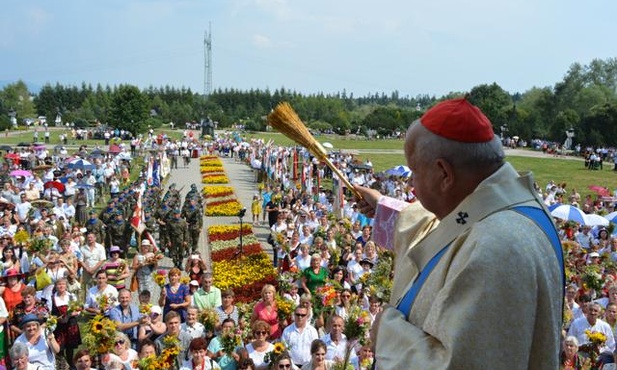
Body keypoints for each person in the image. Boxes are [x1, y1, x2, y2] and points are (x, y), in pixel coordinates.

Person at [353, 98, 563, 368]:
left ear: (444, 173)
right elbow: (446, 229)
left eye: (414, 171)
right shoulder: (509, 209)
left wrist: (387, 333)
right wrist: (383, 205)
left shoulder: (495, 248)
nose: (411, 183)